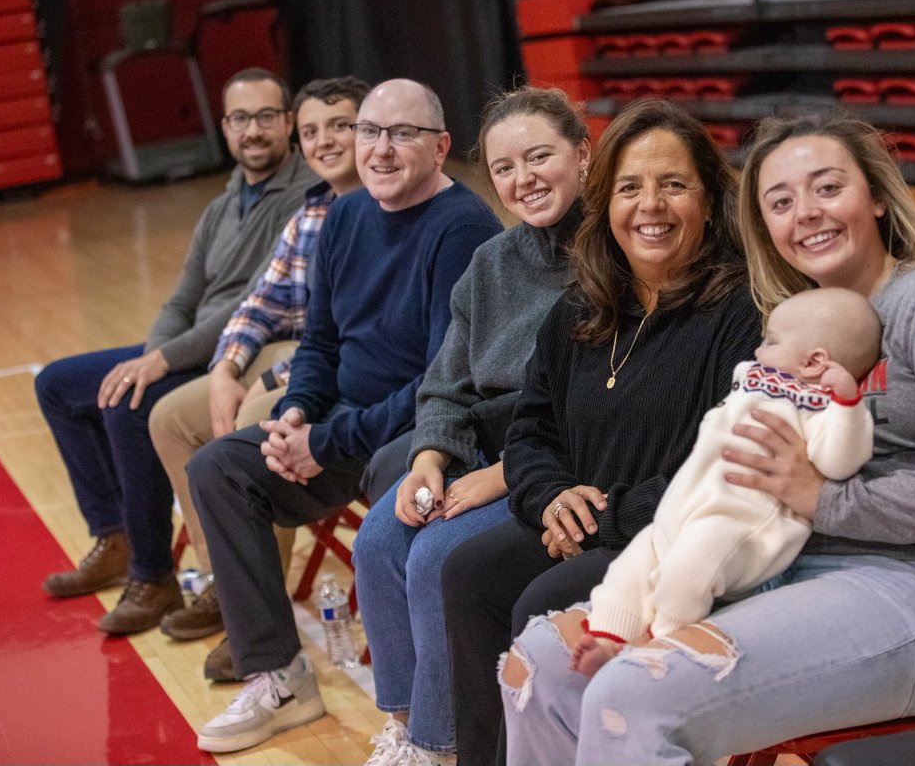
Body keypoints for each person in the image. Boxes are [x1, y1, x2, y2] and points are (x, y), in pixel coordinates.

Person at [498, 112, 915, 766]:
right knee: (542, 665)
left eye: (827, 188)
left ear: (879, 197)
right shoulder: (785, 323)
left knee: (633, 696)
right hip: (775, 574)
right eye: (781, 201)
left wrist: (824, 499)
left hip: (908, 591)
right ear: (764, 226)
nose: (805, 213)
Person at [441, 98, 764, 764]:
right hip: (582, 524)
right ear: (605, 202)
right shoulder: (582, 307)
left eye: (673, 185)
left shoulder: (742, 314)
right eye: (629, 187)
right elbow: (530, 429)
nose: (650, 205)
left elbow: (721, 472)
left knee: (542, 602)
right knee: (468, 571)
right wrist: (551, 497)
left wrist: (602, 518)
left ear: (710, 199)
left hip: (673, 545)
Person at [187, 78, 502, 754]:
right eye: (369, 132)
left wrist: (324, 443)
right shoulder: (343, 219)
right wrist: (298, 413)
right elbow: (321, 342)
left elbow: (440, 380)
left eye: (401, 134)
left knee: (392, 510)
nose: (380, 150)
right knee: (218, 469)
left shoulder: (464, 228)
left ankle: (419, 723)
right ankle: (278, 675)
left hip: (429, 434)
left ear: (441, 146)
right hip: (342, 428)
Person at [352, 85, 591, 766]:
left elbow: (599, 410)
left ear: (582, 153)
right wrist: (430, 454)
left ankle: (445, 745)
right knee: (377, 539)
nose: (524, 179)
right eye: (506, 169)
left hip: (548, 463)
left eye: (540, 156)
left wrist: (500, 475)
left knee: (435, 556)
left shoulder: (612, 256)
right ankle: (406, 732)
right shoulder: (492, 263)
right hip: (477, 458)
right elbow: (445, 384)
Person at [36, 67, 318, 635]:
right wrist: (156, 351)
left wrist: (160, 363)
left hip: (250, 346)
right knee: (59, 385)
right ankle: (114, 536)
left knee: (129, 405)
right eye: (240, 119)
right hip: (190, 348)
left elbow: (248, 307)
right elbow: (185, 295)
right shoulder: (225, 202)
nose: (253, 131)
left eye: (266, 116)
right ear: (224, 127)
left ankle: (153, 576)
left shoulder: (304, 196)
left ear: (288, 122)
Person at [147, 77, 368, 668]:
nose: (325, 141)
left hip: (327, 371)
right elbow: (259, 301)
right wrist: (226, 366)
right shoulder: (311, 209)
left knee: (253, 423)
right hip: (288, 352)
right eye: (314, 130)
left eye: (340, 127)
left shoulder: (383, 206)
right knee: (168, 416)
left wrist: (273, 379)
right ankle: (229, 585)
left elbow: (357, 338)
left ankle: (256, 611)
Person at [573, 286, 881, 677]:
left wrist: (847, 406)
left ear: (814, 360)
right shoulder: (752, 378)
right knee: (634, 563)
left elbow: (840, 462)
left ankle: (664, 636)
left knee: (689, 570)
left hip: (740, 525)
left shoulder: (823, 410)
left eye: (770, 342)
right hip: (683, 507)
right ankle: (609, 633)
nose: (757, 351)